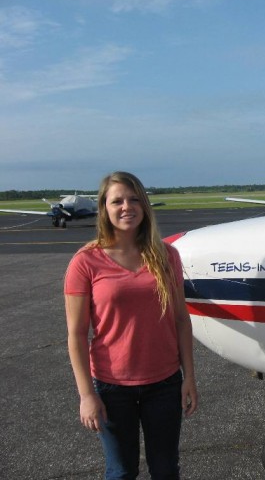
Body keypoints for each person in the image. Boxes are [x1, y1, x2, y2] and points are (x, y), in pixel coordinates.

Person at [64, 171, 198, 480]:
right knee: (121, 471)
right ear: (104, 209)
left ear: (145, 206)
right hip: (111, 388)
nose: (127, 207)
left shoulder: (166, 255)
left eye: (135, 199)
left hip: (164, 384)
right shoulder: (85, 261)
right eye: (118, 201)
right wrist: (87, 396)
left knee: (166, 470)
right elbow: (75, 334)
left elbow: (180, 319)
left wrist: (189, 377)